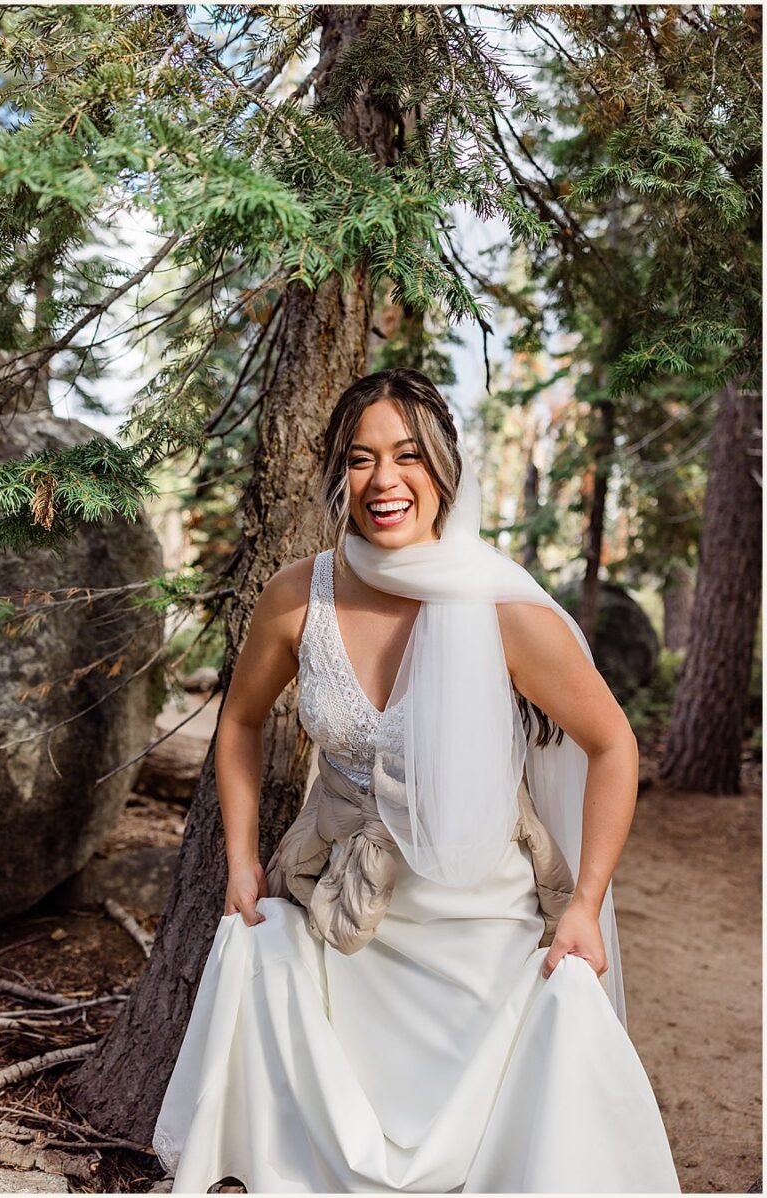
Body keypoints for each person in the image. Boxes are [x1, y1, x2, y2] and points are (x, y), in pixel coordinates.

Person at [153, 369, 680, 1193]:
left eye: (408, 456)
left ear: (443, 470)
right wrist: (242, 860)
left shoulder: (498, 606)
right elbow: (240, 724)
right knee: (264, 964)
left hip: (479, 927)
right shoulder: (298, 599)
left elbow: (613, 745)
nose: (384, 481)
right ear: (338, 475)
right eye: (360, 460)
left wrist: (584, 906)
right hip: (342, 916)